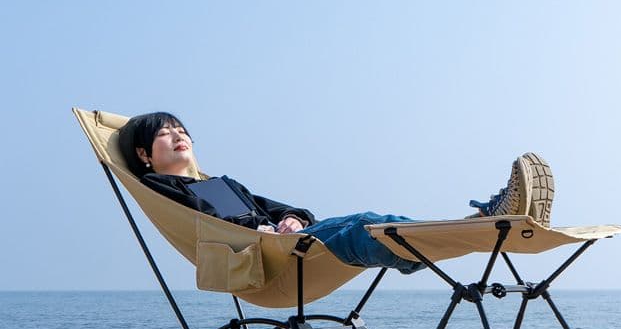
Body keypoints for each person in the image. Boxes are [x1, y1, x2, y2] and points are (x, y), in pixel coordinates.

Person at [118, 112, 554, 274]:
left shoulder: (224, 184)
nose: (178, 136)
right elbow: (210, 223)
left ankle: (483, 224)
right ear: (143, 154)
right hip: (267, 259)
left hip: (289, 242)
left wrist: (292, 219)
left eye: (181, 130)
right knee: (366, 228)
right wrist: (263, 230)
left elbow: (291, 209)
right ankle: (486, 224)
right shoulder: (160, 186)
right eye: (164, 134)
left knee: (369, 220)